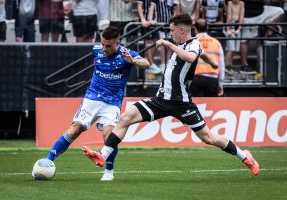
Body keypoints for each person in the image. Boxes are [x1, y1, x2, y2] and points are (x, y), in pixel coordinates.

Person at [83, 14, 260, 178]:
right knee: (126, 117)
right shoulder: (188, 46)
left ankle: (245, 156)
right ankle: (102, 155)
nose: (171, 33)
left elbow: (191, 57)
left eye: (172, 30)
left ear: (181, 30)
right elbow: (202, 56)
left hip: (181, 103)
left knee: (209, 137)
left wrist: (168, 44)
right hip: (161, 100)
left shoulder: (193, 44)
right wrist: (212, 62)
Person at [43, 26, 150, 181]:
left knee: (109, 136)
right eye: (103, 44)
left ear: (117, 43)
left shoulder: (127, 54)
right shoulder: (96, 50)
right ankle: (47, 161)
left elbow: (146, 63)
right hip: (92, 98)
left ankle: (109, 172)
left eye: (108, 45)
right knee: (74, 130)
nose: (104, 48)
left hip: (112, 102)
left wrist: (133, 61)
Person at [240, 0, 284, 72]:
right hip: (248, 17)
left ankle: (270, 29)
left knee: (280, 11)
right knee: (244, 41)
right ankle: (244, 65)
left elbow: (266, 2)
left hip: (261, 12)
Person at [190, 18, 225, 97]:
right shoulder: (216, 42)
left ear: (195, 29)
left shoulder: (192, 42)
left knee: (197, 106)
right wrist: (221, 84)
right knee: (212, 106)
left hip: (196, 79)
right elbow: (221, 64)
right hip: (212, 79)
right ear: (207, 27)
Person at [224, 0, 244, 68]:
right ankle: (226, 66)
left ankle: (230, 66)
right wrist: (228, 29)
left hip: (237, 25)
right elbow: (228, 17)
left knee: (234, 49)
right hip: (230, 25)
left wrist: (239, 29)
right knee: (230, 48)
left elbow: (241, 17)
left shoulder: (241, 3)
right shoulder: (230, 3)